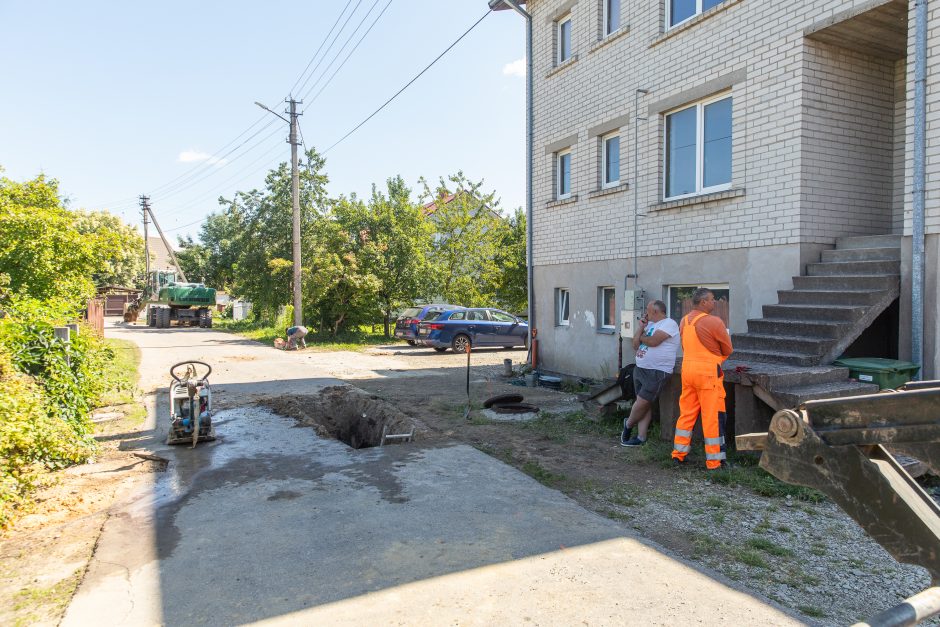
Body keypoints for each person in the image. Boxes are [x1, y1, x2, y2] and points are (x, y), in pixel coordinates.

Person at [671, 288, 733, 470]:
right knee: (712, 416)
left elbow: (684, 346)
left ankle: (678, 454)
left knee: (687, 414)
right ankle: (714, 462)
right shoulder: (715, 322)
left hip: (687, 371)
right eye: (713, 299)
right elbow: (727, 349)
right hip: (707, 373)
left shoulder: (684, 321)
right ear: (704, 302)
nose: (715, 302)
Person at [620, 300, 680, 447]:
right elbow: (635, 345)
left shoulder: (669, 323)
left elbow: (653, 342)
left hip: (657, 370)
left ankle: (628, 424)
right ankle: (641, 437)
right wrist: (641, 328)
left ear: (655, 311)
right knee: (643, 404)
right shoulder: (650, 325)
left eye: (647, 310)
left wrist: (641, 338)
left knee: (642, 402)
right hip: (640, 368)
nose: (645, 313)